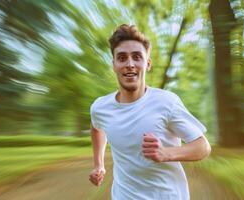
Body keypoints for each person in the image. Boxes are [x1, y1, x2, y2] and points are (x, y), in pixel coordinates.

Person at [89, 24, 211, 200]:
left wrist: (166, 153)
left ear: (147, 64)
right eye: (122, 58)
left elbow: (203, 147)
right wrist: (99, 164)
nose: (130, 64)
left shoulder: (166, 102)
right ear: (114, 65)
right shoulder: (100, 107)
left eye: (137, 57)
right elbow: (96, 127)